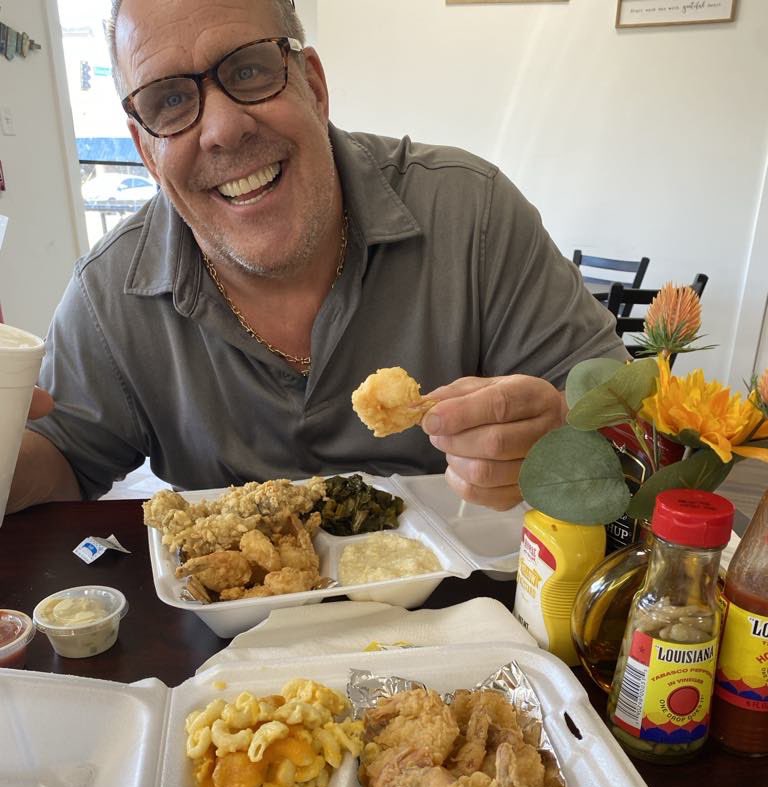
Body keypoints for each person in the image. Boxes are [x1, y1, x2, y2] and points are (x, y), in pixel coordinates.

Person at [9, 0, 627, 516]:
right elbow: (59, 459)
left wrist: (563, 432)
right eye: (168, 102)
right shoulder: (109, 291)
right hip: (225, 651)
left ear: (314, 86)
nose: (223, 128)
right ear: (146, 150)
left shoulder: (474, 214)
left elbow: (639, 427)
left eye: (249, 70)